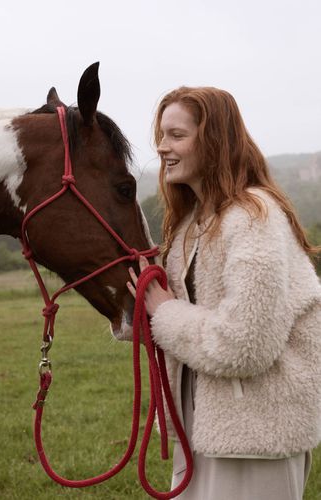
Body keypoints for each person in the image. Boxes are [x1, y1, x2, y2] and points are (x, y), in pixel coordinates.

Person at [126, 86, 321, 500]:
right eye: (161, 136)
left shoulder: (255, 217)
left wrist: (162, 312)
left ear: (214, 139)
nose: (162, 148)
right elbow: (176, 319)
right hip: (200, 428)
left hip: (256, 436)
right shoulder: (187, 226)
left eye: (176, 135)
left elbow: (245, 345)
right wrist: (129, 303)